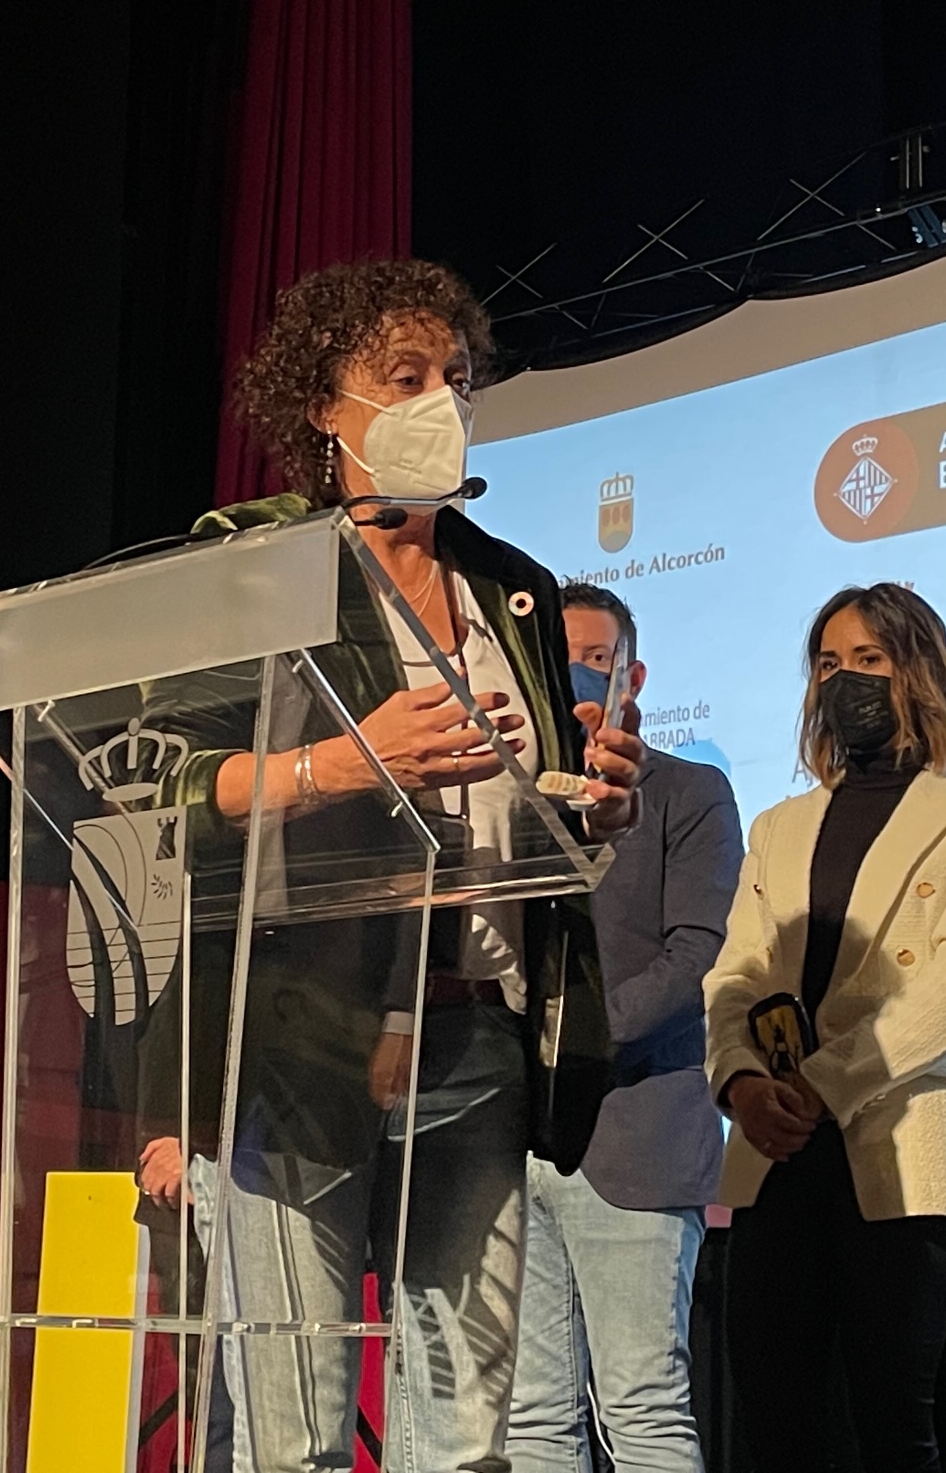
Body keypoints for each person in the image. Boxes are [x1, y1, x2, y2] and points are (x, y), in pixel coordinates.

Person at [133, 257, 645, 1473]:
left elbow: (531, 800)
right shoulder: (253, 564)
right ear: (325, 403)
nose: (440, 403)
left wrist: (593, 805)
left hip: (480, 1037)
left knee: (464, 1445)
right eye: (404, 378)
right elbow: (165, 786)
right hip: (306, 1034)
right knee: (297, 1442)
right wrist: (343, 765)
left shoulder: (513, 589)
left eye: (457, 379)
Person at [704, 583, 946, 1473]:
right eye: (828, 663)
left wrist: (820, 1084)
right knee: (774, 1418)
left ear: (919, 674)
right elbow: (735, 974)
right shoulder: (778, 825)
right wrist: (740, 1081)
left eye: (869, 660)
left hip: (904, 1138)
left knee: (893, 1424)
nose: (844, 679)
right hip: (778, 1146)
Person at [506, 582, 742, 1473]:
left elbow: (698, 954)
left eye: (597, 660)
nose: (576, 675)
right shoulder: (509, 798)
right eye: (558, 658)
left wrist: (579, 1042)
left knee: (642, 1411)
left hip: (635, 1133)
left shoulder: (688, 792)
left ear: (632, 678)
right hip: (513, 1139)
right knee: (531, 1419)